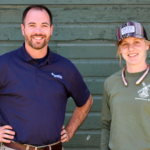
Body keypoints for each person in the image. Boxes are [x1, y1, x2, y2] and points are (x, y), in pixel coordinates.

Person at [0, 5, 93, 150]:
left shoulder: (65, 67)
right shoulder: (4, 64)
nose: (38, 31)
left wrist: (70, 130)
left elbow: (86, 101)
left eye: (44, 25)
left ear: (51, 30)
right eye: (32, 25)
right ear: (23, 29)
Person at [100, 21, 150, 150]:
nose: (131, 48)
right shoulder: (111, 83)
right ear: (120, 49)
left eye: (137, 42)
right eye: (125, 44)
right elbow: (106, 124)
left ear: (147, 45)